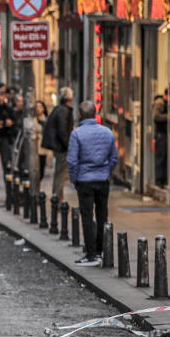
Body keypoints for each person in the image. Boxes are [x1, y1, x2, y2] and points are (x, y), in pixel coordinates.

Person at [66, 100, 117, 265]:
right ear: (95, 114)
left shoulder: (77, 134)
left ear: (80, 115)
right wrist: (106, 171)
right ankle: (101, 249)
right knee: (103, 215)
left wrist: (75, 179)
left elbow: (72, 161)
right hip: (102, 180)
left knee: (87, 216)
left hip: (85, 180)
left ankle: (91, 253)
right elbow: (114, 157)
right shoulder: (107, 133)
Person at [41, 88, 74, 202]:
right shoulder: (63, 111)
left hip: (59, 147)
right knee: (61, 174)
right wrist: (68, 146)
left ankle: (57, 197)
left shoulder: (59, 109)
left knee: (59, 173)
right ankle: (57, 198)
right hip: (61, 148)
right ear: (70, 99)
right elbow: (63, 131)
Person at [152, 91, 170, 187]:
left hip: (164, 134)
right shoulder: (160, 102)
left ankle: (163, 180)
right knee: (161, 157)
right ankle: (159, 181)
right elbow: (156, 116)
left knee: (164, 157)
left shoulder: (165, 103)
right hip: (161, 134)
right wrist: (169, 117)